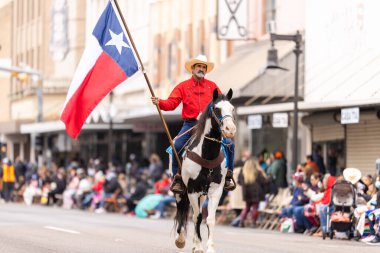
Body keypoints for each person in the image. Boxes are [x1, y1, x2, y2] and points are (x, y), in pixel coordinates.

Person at [151, 54, 235, 194]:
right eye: (199, 66)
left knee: (230, 144)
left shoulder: (212, 86)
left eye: (204, 67)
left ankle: (228, 176)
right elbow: (171, 104)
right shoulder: (183, 86)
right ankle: (178, 178)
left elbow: (220, 104)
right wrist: (160, 102)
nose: (201, 69)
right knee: (176, 146)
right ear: (193, 69)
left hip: (210, 126)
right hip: (190, 124)